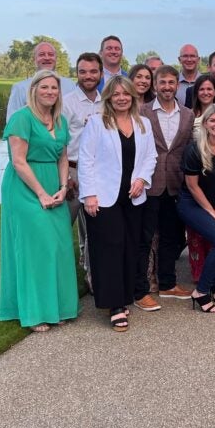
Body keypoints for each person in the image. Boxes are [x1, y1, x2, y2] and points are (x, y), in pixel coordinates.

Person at [0, 70, 79, 332]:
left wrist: (62, 186)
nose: (49, 92)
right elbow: (18, 161)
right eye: (44, 87)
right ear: (33, 90)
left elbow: (63, 157)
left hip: (53, 185)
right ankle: (35, 313)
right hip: (24, 187)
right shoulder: (22, 119)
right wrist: (41, 193)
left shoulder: (59, 121)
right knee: (35, 248)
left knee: (59, 244)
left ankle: (59, 306)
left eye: (54, 88)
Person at [79, 76, 157, 331]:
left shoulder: (143, 123)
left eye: (126, 94)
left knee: (129, 247)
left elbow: (151, 157)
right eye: (116, 94)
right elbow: (86, 159)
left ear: (133, 97)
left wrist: (143, 179)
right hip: (103, 197)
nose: (121, 98)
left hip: (133, 197)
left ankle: (126, 296)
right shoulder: (97, 123)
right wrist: (89, 194)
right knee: (109, 249)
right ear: (109, 98)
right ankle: (115, 306)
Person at [139, 64, 195, 302]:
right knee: (145, 237)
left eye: (171, 82)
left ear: (177, 85)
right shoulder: (142, 112)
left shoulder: (188, 114)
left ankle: (167, 283)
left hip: (175, 183)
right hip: (149, 184)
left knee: (171, 237)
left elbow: (187, 149)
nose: (167, 87)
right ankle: (140, 288)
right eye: (162, 82)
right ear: (155, 85)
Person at [177, 104, 215, 313]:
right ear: (205, 124)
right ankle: (201, 291)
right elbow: (192, 187)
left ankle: (213, 283)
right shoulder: (194, 150)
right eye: (213, 120)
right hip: (192, 203)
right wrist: (211, 212)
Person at [61, 52, 103, 292]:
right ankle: (59, 280)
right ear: (77, 73)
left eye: (93, 71)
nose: (88, 76)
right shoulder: (67, 103)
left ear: (100, 73)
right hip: (74, 172)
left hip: (97, 174)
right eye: (83, 71)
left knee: (94, 229)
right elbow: (60, 143)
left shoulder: (106, 101)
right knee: (61, 226)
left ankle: (93, 280)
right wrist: (65, 177)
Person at [6, 41, 76, 120]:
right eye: (42, 54)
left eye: (51, 54)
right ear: (34, 59)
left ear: (56, 58)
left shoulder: (71, 85)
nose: (47, 58)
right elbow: (12, 120)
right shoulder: (20, 88)